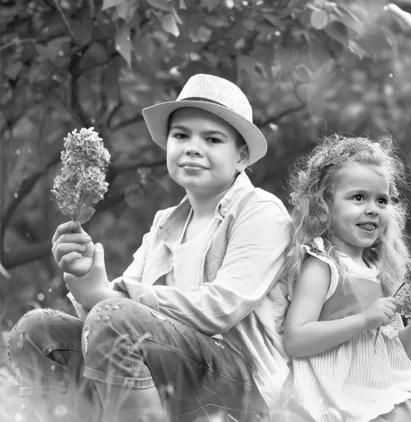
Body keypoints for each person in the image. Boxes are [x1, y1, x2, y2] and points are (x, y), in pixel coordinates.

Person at [8, 74, 292, 422]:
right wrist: (86, 284)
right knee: (37, 330)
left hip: (240, 385)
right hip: (168, 369)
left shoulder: (261, 211)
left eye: (213, 139)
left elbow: (221, 308)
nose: (192, 147)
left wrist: (111, 296)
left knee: (114, 318)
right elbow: (108, 317)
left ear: (241, 156)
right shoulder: (164, 223)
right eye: (181, 135)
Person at [277, 134, 411, 422]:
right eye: (358, 197)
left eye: (382, 200)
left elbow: (397, 354)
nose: (373, 208)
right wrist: (363, 321)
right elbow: (296, 340)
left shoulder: (381, 272)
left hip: (383, 392)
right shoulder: (324, 265)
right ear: (325, 204)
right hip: (339, 398)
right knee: (404, 414)